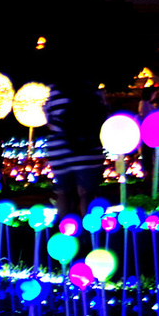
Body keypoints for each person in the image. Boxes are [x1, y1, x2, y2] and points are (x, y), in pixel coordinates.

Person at [44, 79, 105, 219]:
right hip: (88, 148)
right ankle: (89, 235)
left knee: (63, 193)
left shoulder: (55, 89)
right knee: (86, 194)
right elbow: (103, 114)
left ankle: (65, 232)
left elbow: (48, 119)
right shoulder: (92, 88)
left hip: (60, 148)